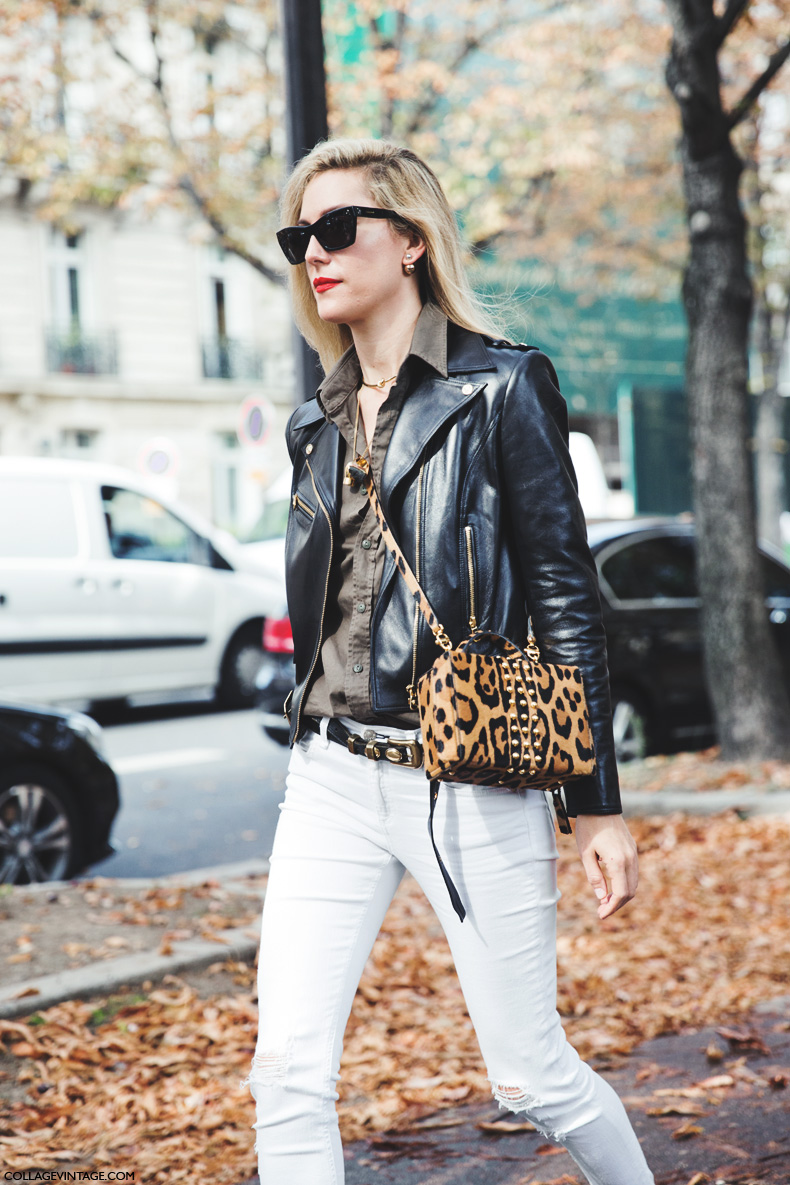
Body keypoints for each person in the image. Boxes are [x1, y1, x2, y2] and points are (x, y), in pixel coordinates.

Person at [244, 137, 654, 1185]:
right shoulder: (315, 422)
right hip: (331, 774)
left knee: (529, 1075)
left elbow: (566, 598)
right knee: (287, 1068)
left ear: (412, 242)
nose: (315, 253)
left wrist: (593, 803)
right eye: (301, 237)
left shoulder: (504, 389)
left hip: (466, 774)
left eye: (338, 228)